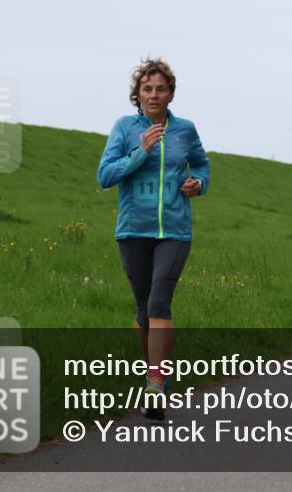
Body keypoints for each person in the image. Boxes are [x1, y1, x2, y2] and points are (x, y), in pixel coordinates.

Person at [97, 58, 211, 421]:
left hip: (175, 230)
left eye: (161, 89)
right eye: (147, 89)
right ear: (138, 94)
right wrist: (141, 151)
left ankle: (156, 385)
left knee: (160, 303)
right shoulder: (125, 128)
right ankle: (154, 375)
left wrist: (198, 184)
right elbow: (105, 176)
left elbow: (202, 166)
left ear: (171, 93)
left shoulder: (186, 130)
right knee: (144, 311)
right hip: (133, 229)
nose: (154, 95)